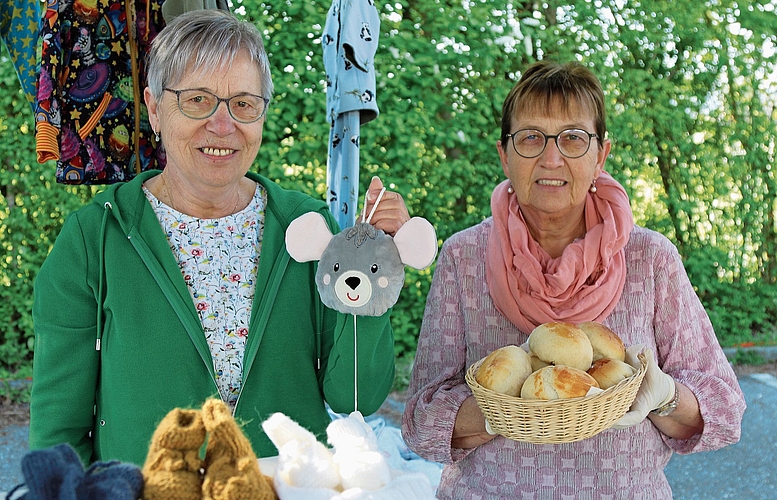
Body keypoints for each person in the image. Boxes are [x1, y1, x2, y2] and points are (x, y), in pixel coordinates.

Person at [29, 9, 409, 467]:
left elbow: (356, 396)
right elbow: (58, 432)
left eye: (243, 103)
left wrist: (373, 273)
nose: (223, 124)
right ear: (154, 108)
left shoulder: (307, 227)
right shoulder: (95, 238)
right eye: (198, 100)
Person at [401, 61, 746, 499]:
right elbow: (420, 422)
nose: (551, 158)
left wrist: (663, 396)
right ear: (504, 155)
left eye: (573, 138)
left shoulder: (650, 258)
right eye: (531, 137)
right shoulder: (464, 257)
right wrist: (500, 411)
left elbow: (723, 413)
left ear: (600, 155)